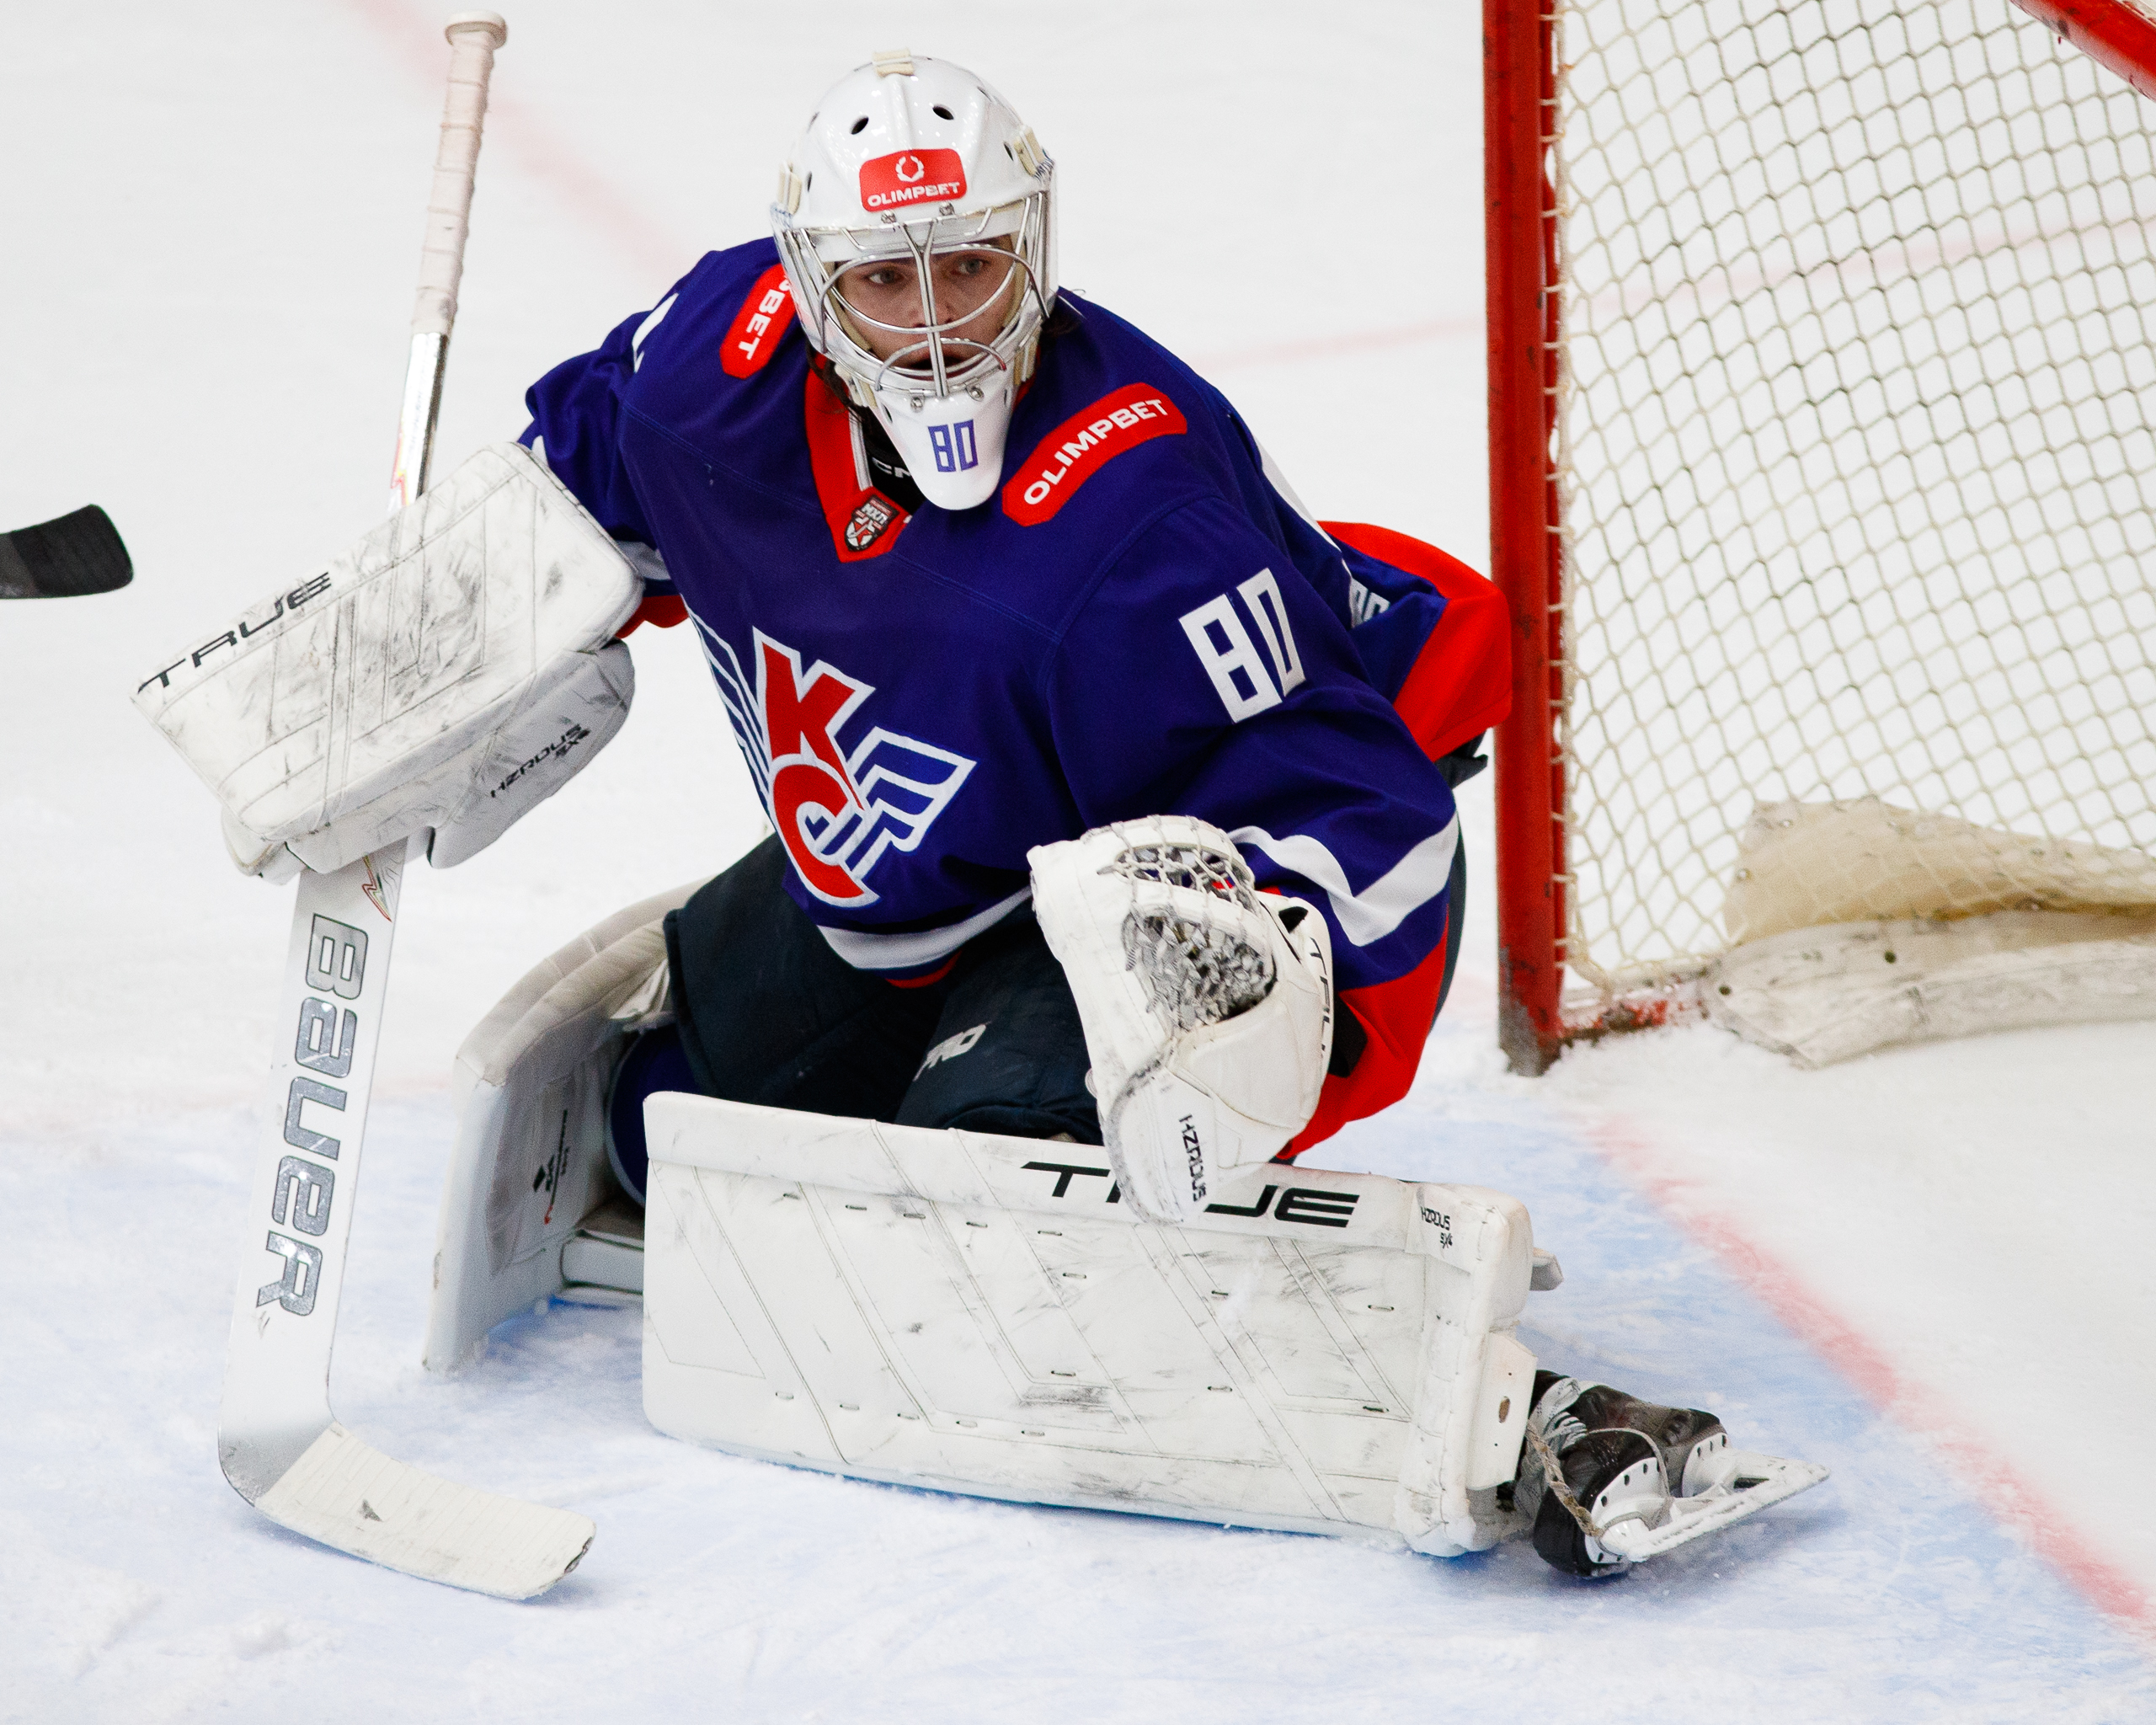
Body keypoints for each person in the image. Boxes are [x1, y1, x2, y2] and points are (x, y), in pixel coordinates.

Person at [509, 51, 1812, 1578]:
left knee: (1010, 1226)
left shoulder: (1139, 521)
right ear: (809, 287)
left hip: (1152, 885)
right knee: (661, 1133)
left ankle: (1529, 1410)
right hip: (929, 865)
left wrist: (1244, 997)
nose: (935, 325)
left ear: (1034, 249)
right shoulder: (702, 379)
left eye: (972, 268)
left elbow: (1376, 826)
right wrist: (450, 647)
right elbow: (562, 488)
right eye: (884, 283)